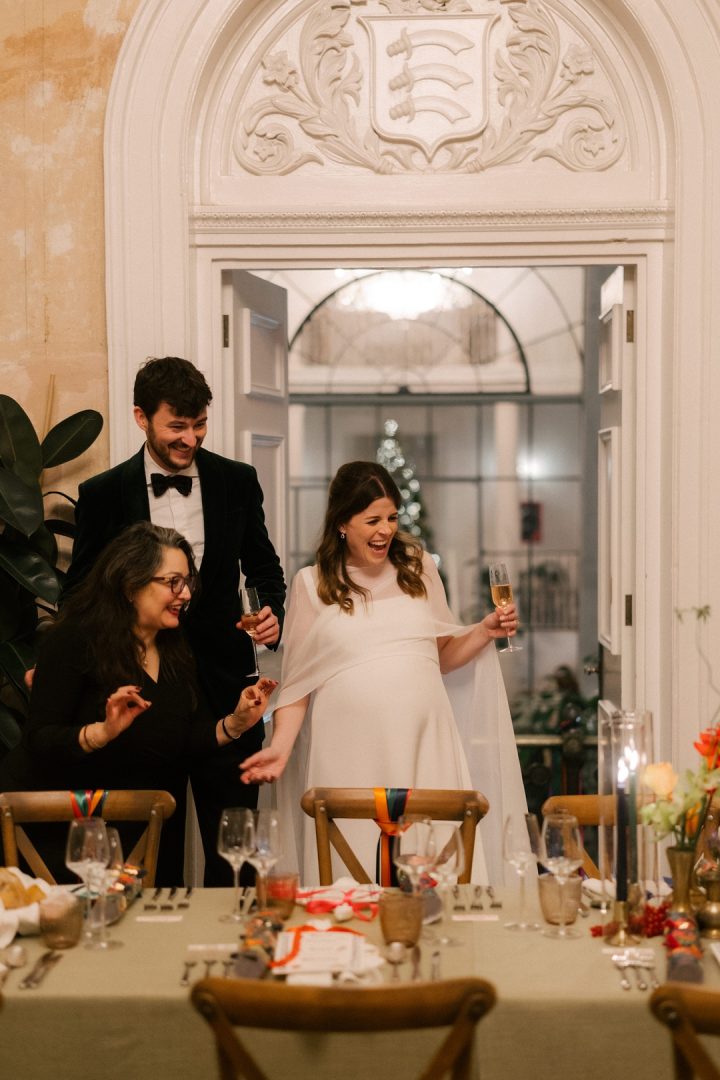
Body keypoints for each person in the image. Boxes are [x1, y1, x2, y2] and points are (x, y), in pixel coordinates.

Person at [240, 461, 528, 886]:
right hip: (347, 753)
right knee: (351, 872)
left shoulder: (419, 568)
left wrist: (484, 631)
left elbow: (441, 655)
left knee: (432, 872)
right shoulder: (310, 584)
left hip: (424, 745)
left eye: (392, 517)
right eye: (372, 519)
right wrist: (280, 748)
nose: (385, 530)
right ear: (342, 522)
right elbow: (297, 687)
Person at [63, 356, 286, 884]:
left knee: (235, 856)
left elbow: (264, 567)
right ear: (142, 417)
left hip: (225, 687)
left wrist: (271, 611)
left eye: (200, 424)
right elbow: (78, 591)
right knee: (145, 854)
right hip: (138, 688)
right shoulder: (101, 494)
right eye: (177, 426)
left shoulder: (237, 480)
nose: (191, 438)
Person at [0, 522, 277, 886]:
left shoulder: (174, 647)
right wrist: (101, 732)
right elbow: (40, 741)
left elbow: (178, 742)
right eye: (172, 582)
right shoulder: (73, 640)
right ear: (131, 585)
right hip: (60, 835)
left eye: (188, 581)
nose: (186, 594)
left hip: (139, 830)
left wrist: (235, 723)